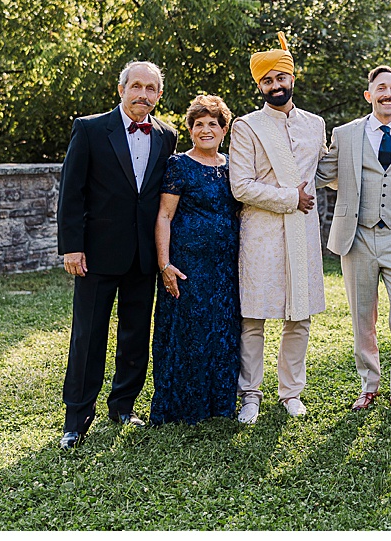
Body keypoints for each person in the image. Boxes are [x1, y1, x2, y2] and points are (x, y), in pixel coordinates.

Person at [56, 60, 177, 448]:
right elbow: (71, 192)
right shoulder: (90, 129)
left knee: (135, 336)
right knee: (88, 336)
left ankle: (123, 406)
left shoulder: (166, 135)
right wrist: (72, 246)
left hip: (143, 257)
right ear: (121, 88)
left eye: (151, 88)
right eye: (137, 86)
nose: (143, 94)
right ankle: (76, 418)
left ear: (159, 94)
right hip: (96, 254)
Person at [315, 66, 391, 420]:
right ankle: (369, 385)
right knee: (362, 316)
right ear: (369, 95)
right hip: (358, 237)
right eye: (381, 88)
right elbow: (321, 173)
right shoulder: (346, 133)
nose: (388, 94)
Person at [226, 33, 327, 423]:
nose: (275, 86)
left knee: (297, 317)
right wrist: (290, 198)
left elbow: (327, 171)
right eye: (267, 81)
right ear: (259, 86)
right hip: (262, 232)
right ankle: (250, 393)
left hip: (302, 232)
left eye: (280, 78)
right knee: (254, 317)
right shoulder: (246, 127)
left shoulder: (315, 125)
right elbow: (241, 186)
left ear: (292, 79)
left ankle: (291, 392)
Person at [149, 95, 242, 425]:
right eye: (199, 124)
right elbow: (164, 215)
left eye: (212, 124)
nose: (206, 130)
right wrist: (164, 263)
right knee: (189, 331)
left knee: (223, 329)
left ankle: (220, 402)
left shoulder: (234, 165)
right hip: (187, 265)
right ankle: (183, 406)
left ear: (224, 129)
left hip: (226, 267)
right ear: (189, 129)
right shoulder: (178, 164)